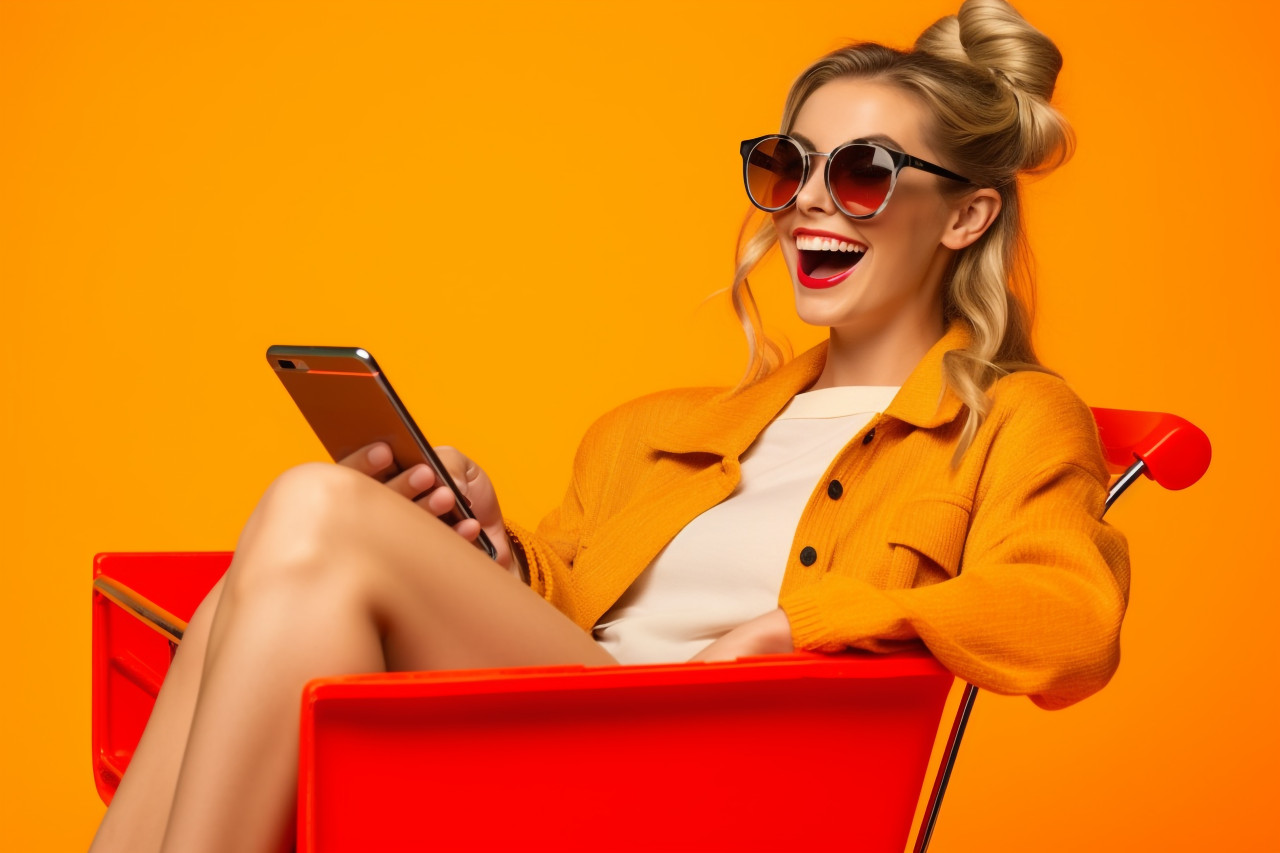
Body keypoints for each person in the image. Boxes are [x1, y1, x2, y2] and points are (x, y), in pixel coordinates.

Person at [89, 1, 1129, 851]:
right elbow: (569, 611)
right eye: (787, 165)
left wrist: (799, 624)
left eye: (860, 174)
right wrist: (487, 548)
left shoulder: (1009, 415)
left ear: (963, 216)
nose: (809, 203)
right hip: (578, 735)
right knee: (268, 567)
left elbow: (1068, 617)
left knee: (313, 508)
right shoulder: (655, 432)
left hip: (704, 778)